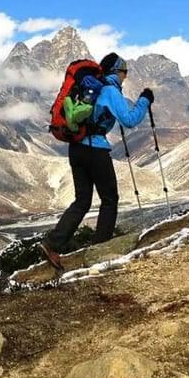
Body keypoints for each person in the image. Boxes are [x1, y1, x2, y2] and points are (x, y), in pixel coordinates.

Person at [40, 53, 154, 270]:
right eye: (124, 72)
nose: (125, 77)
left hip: (76, 148)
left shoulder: (90, 88)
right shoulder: (110, 90)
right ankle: (100, 249)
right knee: (110, 199)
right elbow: (130, 120)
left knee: (82, 200)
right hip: (95, 150)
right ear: (116, 72)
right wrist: (145, 100)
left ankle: (52, 244)